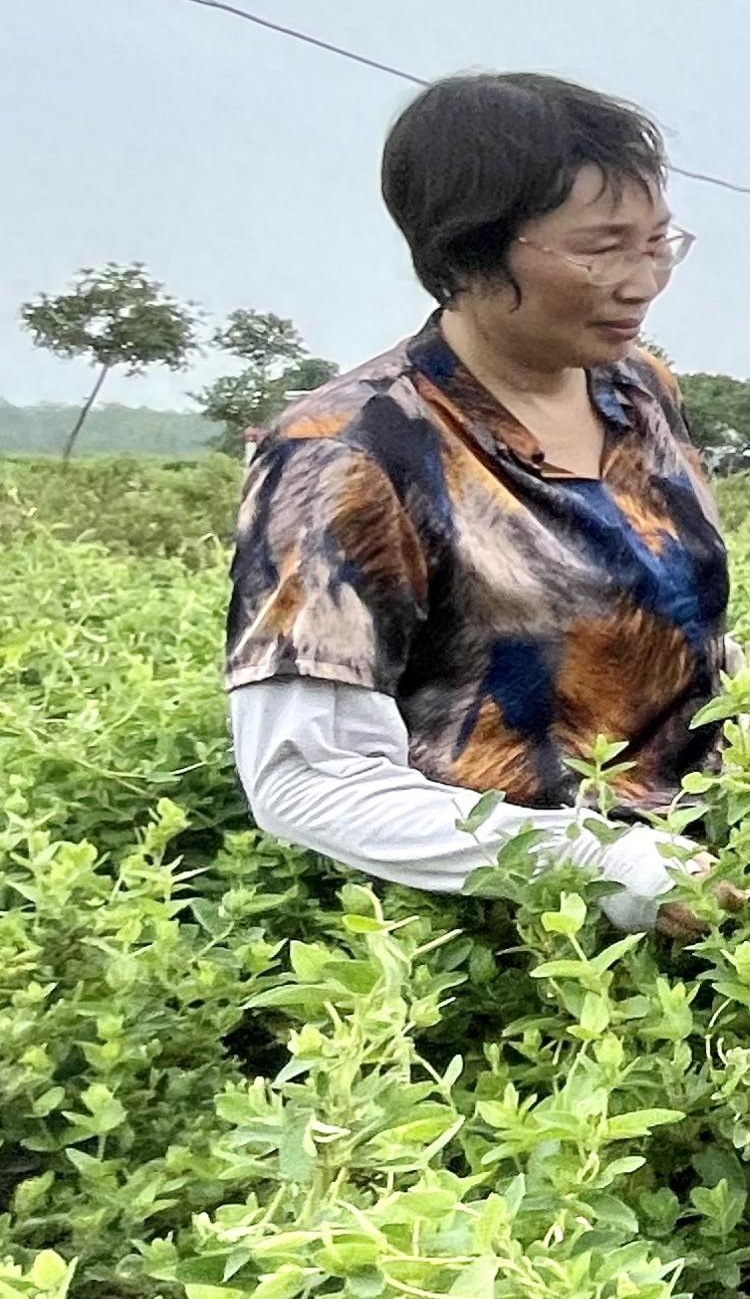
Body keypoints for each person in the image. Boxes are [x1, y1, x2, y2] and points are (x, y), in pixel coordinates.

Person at [226, 71, 724, 936]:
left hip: (706, 896)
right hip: (507, 943)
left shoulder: (639, 389)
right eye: (602, 247)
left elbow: (666, 631)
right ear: (467, 253)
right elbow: (307, 779)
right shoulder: (350, 452)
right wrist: (603, 863)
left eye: (658, 243)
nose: (643, 282)